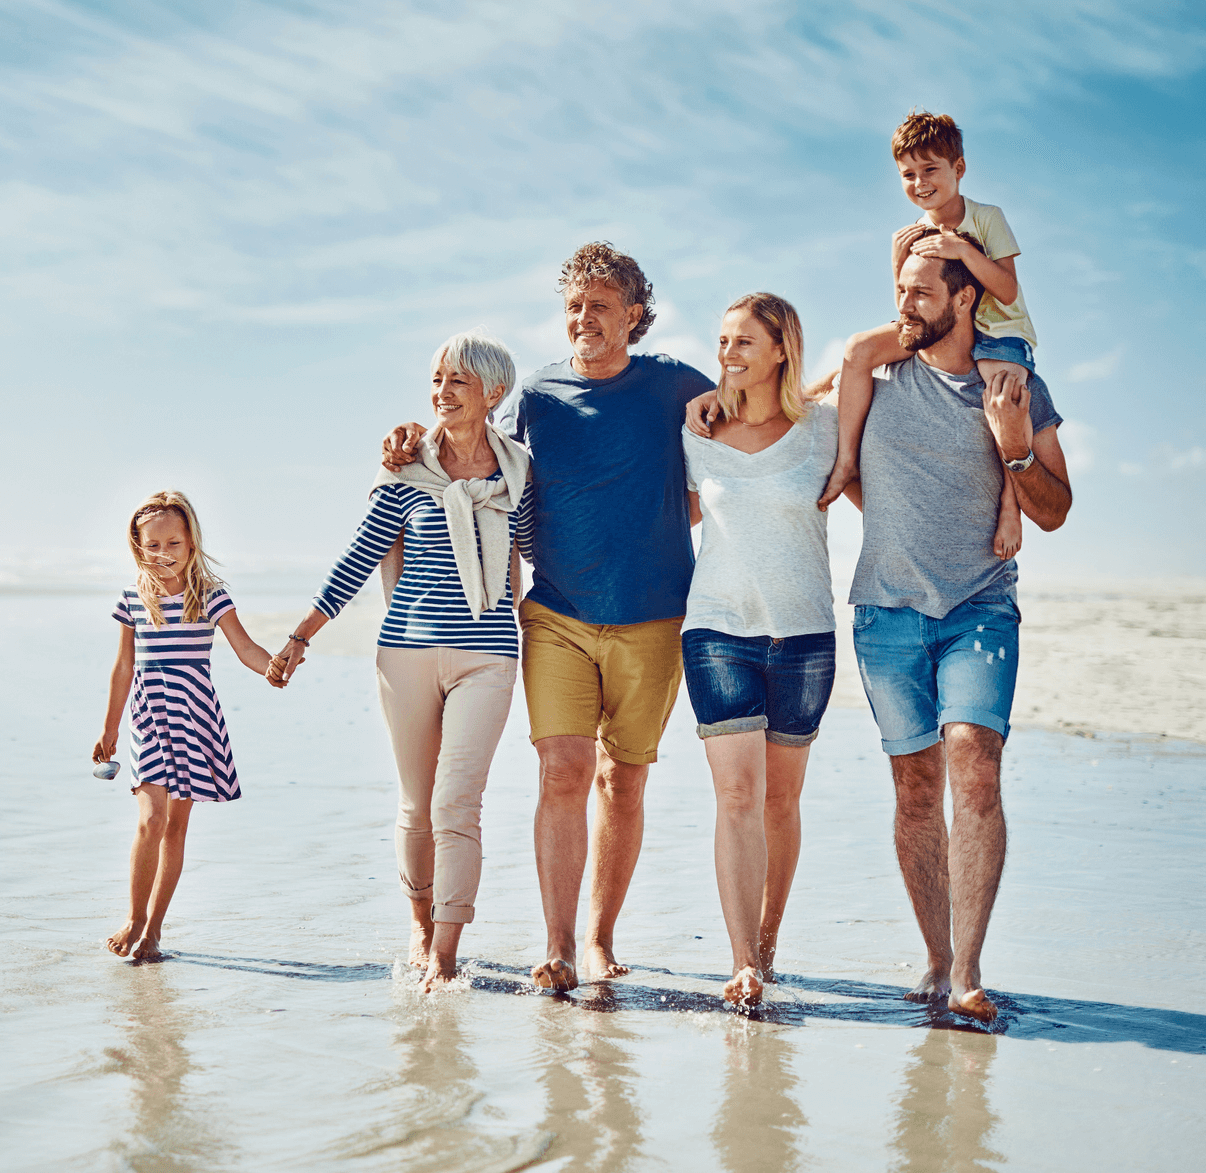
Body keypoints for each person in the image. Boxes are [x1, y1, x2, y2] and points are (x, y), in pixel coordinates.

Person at [384, 243, 714, 991]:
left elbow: (734, 442)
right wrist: (404, 440)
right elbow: (465, 442)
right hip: (556, 612)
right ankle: (559, 945)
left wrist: (667, 515)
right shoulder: (535, 394)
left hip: (655, 614)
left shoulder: (674, 385)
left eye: (599, 305)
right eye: (573, 306)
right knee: (562, 769)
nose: (582, 319)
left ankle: (599, 939)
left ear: (633, 315)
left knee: (622, 780)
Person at [849, 235, 1072, 1022]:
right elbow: (800, 419)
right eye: (899, 291)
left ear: (964, 298)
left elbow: (1056, 509)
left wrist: (1013, 455)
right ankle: (937, 957)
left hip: (978, 608)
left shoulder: (1015, 384)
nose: (902, 307)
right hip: (883, 612)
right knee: (914, 788)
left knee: (974, 765)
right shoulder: (874, 378)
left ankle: (968, 969)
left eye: (918, 293)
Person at [271, 331, 535, 992]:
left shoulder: (518, 472)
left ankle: (445, 954)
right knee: (418, 805)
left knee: (457, 801)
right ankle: (418, 923)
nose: (441, 393)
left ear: (492, 393)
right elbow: (358, 557)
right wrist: (301, 634)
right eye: (436, 380)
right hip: (407, 652)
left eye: (457, 381)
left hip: (488, 655)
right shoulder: (406, 468)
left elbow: (538, 552)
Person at [681, 293, 859, 1007]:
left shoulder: (822, 430)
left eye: (744, 340)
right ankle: (740, 959)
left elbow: (864, 349)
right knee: (735, 795)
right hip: (716, 630)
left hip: (804, 634)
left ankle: (770, 938)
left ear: (782, 347)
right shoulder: (695, 430)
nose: (727, 351)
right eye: (722, 340)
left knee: (780, 800)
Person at [815, 111, 1036, 560]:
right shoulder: (911, 234)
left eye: (930, 170)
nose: (920, 183)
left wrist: (959, 250)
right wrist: (897, 263)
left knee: (1000, 402)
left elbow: (1009, 291)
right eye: (908, 174)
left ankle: (1010, 506)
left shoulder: (986, 217)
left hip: (997, 332)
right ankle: (847, 460)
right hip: (941, 328)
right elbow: (909, 305)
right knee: (857, 350)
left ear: (959, 169)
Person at [93, 490, 280, 961]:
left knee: (175, 828)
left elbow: (245, 648)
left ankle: (153, 931)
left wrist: (273, 667)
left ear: (191, 542)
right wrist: (109, 729)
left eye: (173, 543)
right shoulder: (132, 600)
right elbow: (122, 667)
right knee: (151, 820)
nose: (163, 554)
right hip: (149, 715)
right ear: (138, 547)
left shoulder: (211, 596)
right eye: (152, 546)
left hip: (194, 715)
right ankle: (134, 917)